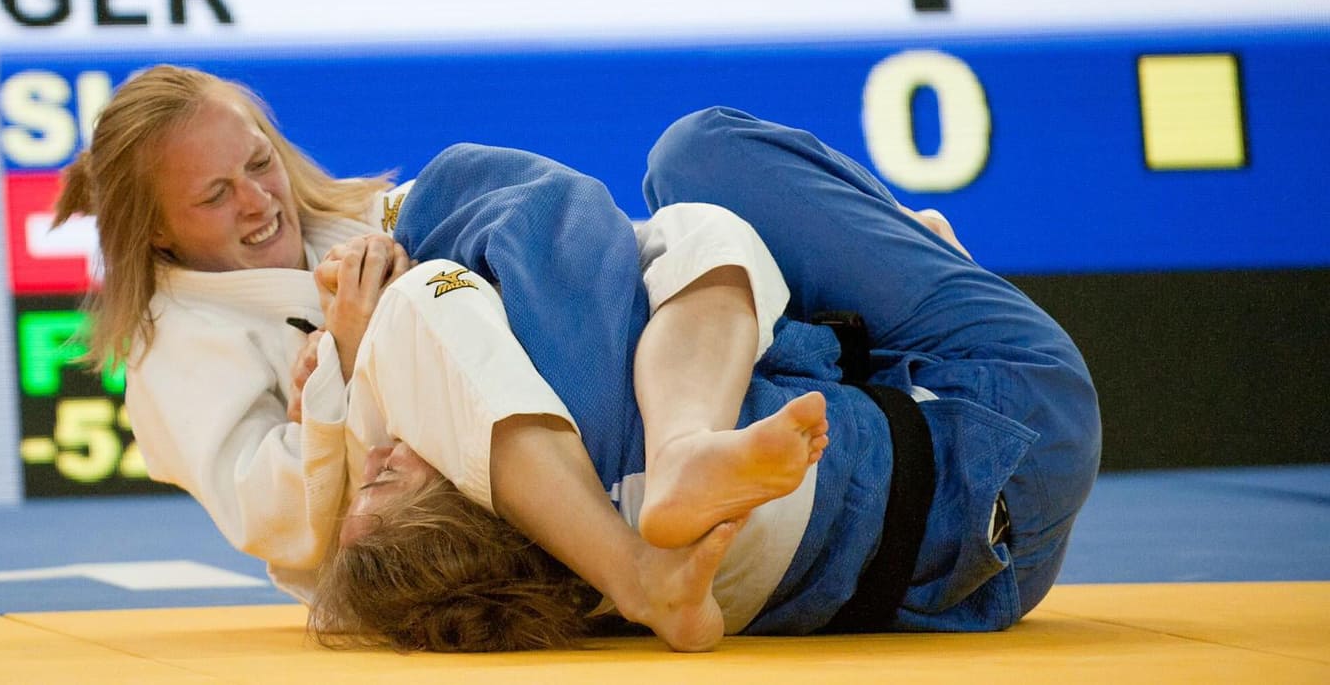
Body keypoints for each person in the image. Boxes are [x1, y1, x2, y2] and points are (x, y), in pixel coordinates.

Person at [52, 65, 810, 651]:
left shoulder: (343, 219)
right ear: (153, 230)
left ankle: (688, 437)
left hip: (514, 440)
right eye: (215, 194)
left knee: (686, 228)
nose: (257, 200)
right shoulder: (171, 351)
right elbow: (282, 525)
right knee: (430, 272)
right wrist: (343, 363)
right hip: (405, 529)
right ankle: (633, 568)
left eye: (259, 162)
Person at [315, 107, 1101, 648]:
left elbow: (345, 566)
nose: (375, 461)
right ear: (459, 502)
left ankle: (892, 253)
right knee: (695, 162)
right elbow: (550, 209)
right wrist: (391, 256)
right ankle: (902, 245)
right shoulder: (534, 388)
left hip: (975, 588)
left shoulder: (575, 589)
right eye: (382, 486)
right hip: (1011, 416)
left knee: (697, 255)